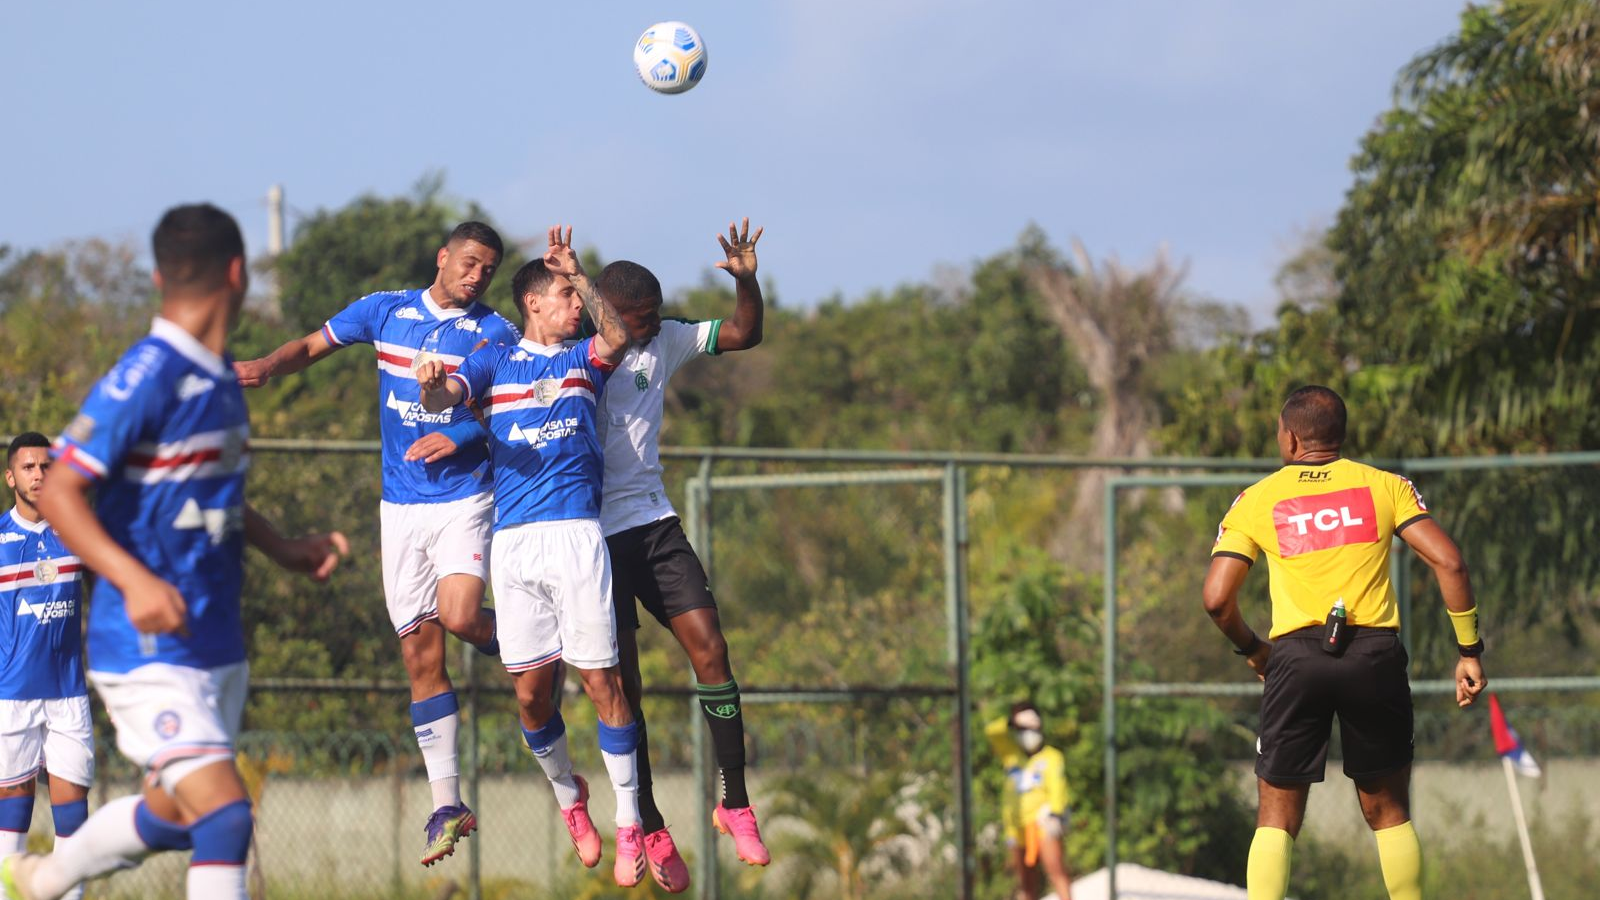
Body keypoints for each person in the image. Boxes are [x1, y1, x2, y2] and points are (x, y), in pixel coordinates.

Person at [1, 203, 347, 900]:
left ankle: (42, 877)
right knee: (224, 817)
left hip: (216, 641)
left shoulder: (219, 375)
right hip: (145, 646)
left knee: (177, 813)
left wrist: (284, 547)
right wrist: (132, 581)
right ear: (239, 273)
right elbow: (63, 488)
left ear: (160, 275)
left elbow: (213, 490)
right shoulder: (150, 372)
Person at [234, 222, 519, 865]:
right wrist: (265, 368)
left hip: (464, 498)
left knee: (460, 616)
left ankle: (534, 646)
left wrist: (461, 439)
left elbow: (502, 419)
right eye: (470, 263)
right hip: (400, 508)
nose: (477, 276)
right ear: (443, 258)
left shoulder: (495, 333)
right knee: (420, 656)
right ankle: (446, 802)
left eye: (488, 270)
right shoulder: (384, 310)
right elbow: (312, 344)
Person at [417, 225, 647, 887]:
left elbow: (619, 336)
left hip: (576, 537)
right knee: (529, 697)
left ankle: (628, 824)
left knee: (603, 682)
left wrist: (577, 272)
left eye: (577, 297)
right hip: (515, 546)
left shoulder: (583, 360)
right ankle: (570, 798)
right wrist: (433, 384)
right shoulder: (494, 359)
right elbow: (444, 400)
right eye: (563, 297)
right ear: (532, 304)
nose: (575, 305)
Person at [1201, 385, 1487, 900]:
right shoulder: (1385, 486)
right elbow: (1450, 562)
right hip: (1374, 657)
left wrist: (1254, 649)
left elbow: (1217, 599)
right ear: (1340, 435)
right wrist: (1469, 651)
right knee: (1389, 812)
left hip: (1294, 659)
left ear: (1290, 438)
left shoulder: (1258, 499)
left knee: (1276, 816)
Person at [591, 218, 770, 892]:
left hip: (654, 526)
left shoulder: (662, 340)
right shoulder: (570, 351)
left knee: (713, 651)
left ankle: (735, 803)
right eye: (638, 318)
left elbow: (743, 332)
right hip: (591, 540)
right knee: (623, 690)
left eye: (653, 318)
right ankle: (649, 822)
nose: (650, 327)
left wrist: (747, 281)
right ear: (605, 310)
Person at [0, 434, 92, 900]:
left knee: (73, 815)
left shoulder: (77, 530)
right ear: (11, 477)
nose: (39, 474)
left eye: (46, 466)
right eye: (29, 467)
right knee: (10, 813)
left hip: (67, 695)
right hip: (9, 698)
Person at [984, 703, 1073, 900]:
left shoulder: (1051, 757)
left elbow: (1058, 787)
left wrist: (1056, 813)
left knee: (1056, 871)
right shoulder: (1012, 756)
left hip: (1042, 822)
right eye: (1022, 730)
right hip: (1016, 828)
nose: (1028, 734)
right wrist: (1012, 721)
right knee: (1025, 882)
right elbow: (991, 732)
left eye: (1031, 729)